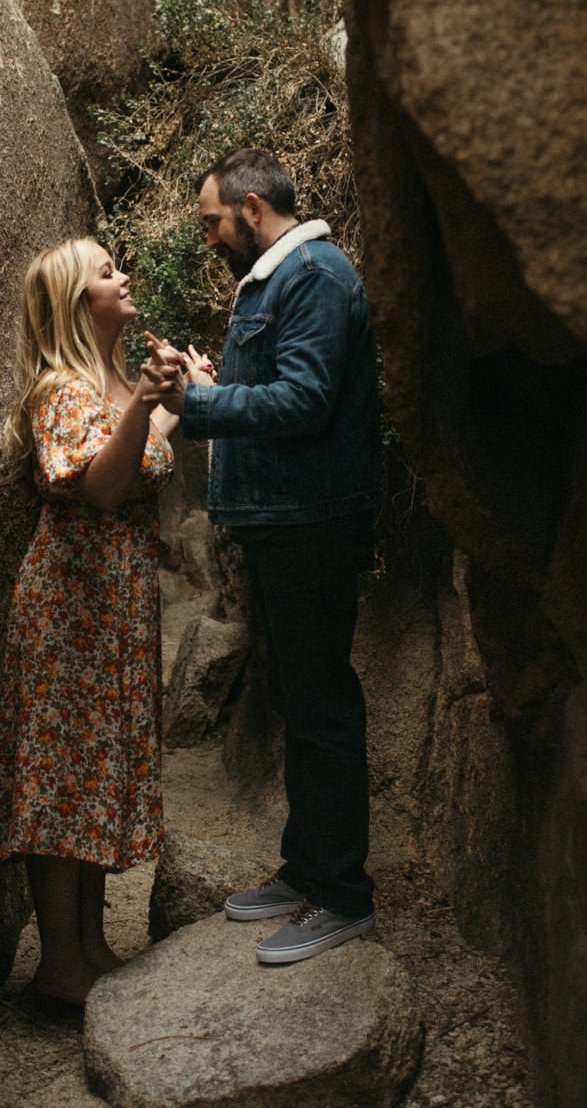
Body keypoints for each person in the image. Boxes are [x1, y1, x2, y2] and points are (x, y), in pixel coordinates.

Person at [150, 147, 382, 966]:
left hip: (312, 523)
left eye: (213, 220)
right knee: (297, 695)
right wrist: (206, 381)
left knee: (321, 705)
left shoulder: (314, 275)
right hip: (281, 521)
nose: (209, 237)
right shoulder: (277, 278)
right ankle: (306, 868)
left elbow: (306, 398)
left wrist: (198, 401)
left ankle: (343, 895)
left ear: (252, 209)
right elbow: (277, 386)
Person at [0, 237, 182, 1012]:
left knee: (95, 777)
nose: (124, 275)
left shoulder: (105, 382)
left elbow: (134, 460)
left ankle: (94, 946)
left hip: (109, 613)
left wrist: (169, 400)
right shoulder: (60, 390)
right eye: (107, 271)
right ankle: (60, 962)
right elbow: (103, 490)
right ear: (78, 303)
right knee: (60, 782)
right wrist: (143, 403)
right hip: (68, 615)